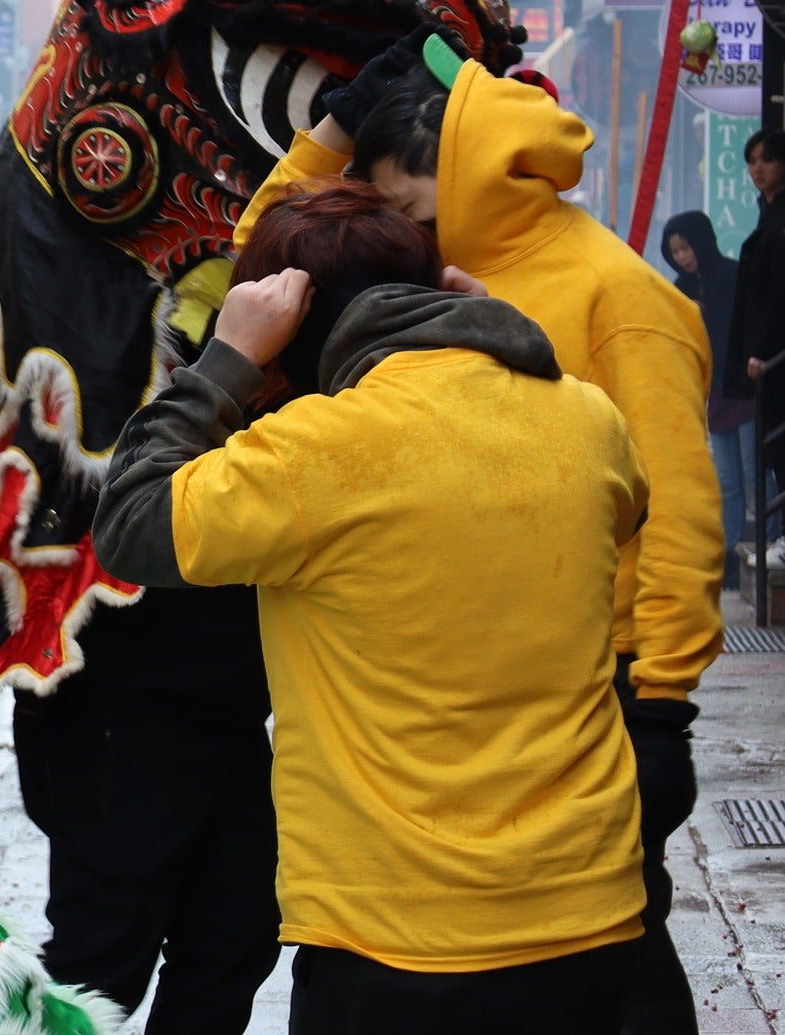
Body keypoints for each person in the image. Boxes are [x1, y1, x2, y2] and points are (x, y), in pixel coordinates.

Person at [243, 29, 718, 1033]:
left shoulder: (616, 294)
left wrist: (661, 702)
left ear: (455, 178)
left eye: (404, 207)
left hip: (587, 686)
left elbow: (675, 509)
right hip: (435, 673)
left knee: (610, 953)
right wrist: (327, 135)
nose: (393, 228)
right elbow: (268, 263)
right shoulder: (431, 268)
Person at [99, 183, 647, 1034]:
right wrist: (502, 330)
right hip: (592, 916)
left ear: (292, 325)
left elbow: (130, 524)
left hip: (395, 940)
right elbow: (627, 504)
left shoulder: (312, 453)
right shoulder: (584, 415)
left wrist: (223, 360)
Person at [662, 210, 758, 586]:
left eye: (686, 247)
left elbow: (740, 327)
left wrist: (707, 316)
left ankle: (768, 541)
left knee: (754, 470)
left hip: (744, 387)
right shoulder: (680, 288)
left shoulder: (732, 275)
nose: (683, 257)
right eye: (675, 252)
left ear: (701, 241)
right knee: (727, 479)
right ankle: (731, 551)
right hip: (714, 390)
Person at [731, 129, 785, 565]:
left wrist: (762, 349)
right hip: (765, 358)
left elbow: (779, 292)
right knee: (772, 447)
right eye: (752, 162)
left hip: (774, 356)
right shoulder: (766, 212)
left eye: (766, 160)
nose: (757, 169)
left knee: (778, 445)